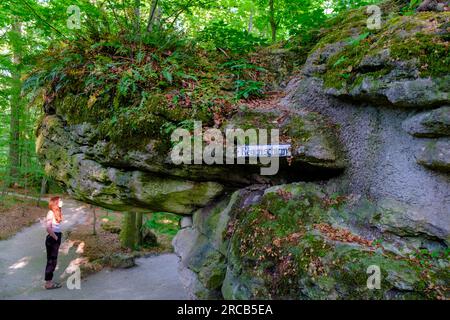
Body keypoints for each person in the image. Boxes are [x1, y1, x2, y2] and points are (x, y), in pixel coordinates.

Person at [44, 196, 64, 289]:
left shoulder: (57, 212)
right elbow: (48, 228)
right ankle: (48, 284)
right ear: (55, 202)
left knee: (53, 261)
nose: (61, 202)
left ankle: (49, 281)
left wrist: (59, 236)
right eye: (60, 200)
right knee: (51, 261)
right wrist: (56, 237)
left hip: (56, 237)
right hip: (52, 238)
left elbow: (56, 227)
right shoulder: (50, 213)